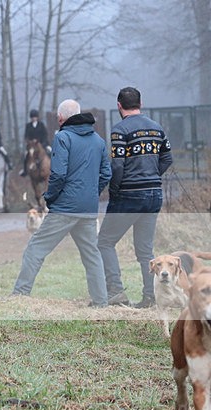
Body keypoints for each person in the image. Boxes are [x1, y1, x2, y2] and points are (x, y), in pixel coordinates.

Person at [12, 99, 111, 307]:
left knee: (35, 249)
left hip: (64, 208)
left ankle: (19, 296)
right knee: (92, 256)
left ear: (60, 118)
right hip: (88, 208)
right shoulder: (99, 141)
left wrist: (49, 198)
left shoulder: (63, 137)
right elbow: (106, 174)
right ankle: (101, 302)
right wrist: (91, 193)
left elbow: (57, 174)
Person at [98, 87, 173, 308]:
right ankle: (150, 296)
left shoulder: (120, 130)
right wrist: (151, 175)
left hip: (129, 196)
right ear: (140, 103)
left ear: (119, 106)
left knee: (104, 242)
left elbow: (118, 165)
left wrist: (115, 189)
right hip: (154, 196)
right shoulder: (157, 128)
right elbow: (167, 158)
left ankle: (115, 292)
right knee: (145, 250)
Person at [20, 109, 50, 176]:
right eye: (32, 117)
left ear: (37, 117)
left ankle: (55, 169)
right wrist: (29, 141)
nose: (33, 118)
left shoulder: (41, 124)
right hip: (32, 145)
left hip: (42, 144)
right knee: (25, 155)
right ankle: (24, 171)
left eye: (35, 117)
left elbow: (45, 134)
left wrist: (41, 142)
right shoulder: (28, 126)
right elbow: (26, 136)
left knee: (51, 151)